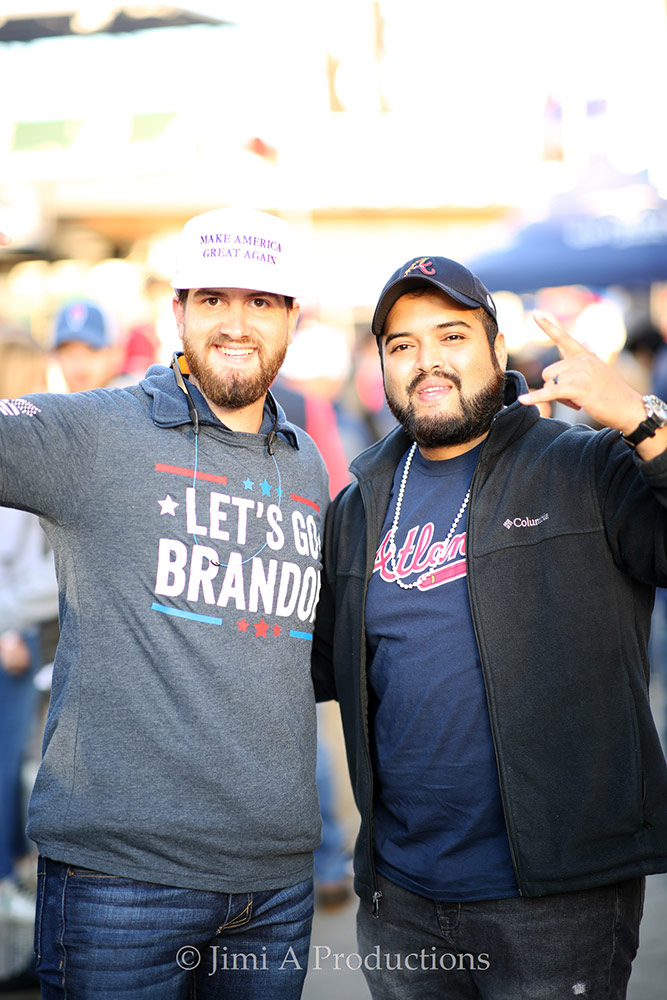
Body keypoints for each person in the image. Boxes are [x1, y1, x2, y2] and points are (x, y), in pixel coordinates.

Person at [312, 255, 667, 999]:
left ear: (497, 352)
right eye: (402, 345)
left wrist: (640, 419)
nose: (426, 362)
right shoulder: (360, 502)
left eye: (451, 336)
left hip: (557, 900)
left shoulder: (585, 465)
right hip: (401, 898)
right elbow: (315, 665)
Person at [0, 207, 329, 999]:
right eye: (212, 299)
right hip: (120, 886)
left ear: (291, 318)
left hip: (276, 890)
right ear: (177, 312)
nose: (236, 323)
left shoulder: (306, 462)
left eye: (260, 301)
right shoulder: (92, 433)